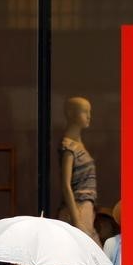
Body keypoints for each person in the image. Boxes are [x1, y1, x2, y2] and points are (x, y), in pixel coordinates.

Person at [58, 97, 100, 244]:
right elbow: (66, 185)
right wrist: (76, 219)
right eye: (84, 111)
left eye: (89, 112)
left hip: (86, 208)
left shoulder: (77, 145)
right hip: (78, 208)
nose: (89, 116)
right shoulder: (69, 148)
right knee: (91, 254)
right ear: (70, 113)